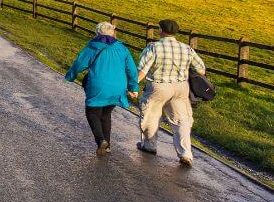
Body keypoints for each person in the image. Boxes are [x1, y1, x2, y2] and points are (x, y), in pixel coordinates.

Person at [131, 19, 205, 166]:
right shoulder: (186, 48)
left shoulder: (153, 47)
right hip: (181, 87)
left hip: (159, 86)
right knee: (181, 120)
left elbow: (142, 70)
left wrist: (133, 86)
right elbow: (201, 69)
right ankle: (186, 154)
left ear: (161, 30)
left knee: (152, 115)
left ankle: (149, 145)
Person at [65, 22, 139, 156]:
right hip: (117, 87)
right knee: (106, 114)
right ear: (113, 33)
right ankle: (107, 146)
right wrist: (133, 87)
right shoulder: (122, 48)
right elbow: (132, 70)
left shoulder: (93, 46)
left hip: (98, 85)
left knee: (92, 112)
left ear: (97, 33)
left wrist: (70, 76)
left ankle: (101, 140)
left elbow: (80, 63)